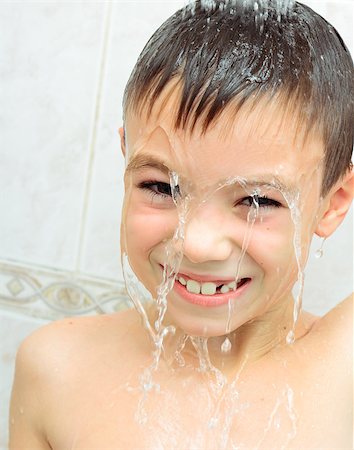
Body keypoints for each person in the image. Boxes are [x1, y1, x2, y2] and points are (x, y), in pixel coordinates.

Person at [9, 1, 353, 448]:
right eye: (160, 187)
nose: (197, 244)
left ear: (332, 203)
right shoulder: (55, 369)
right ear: (126, 159)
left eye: (256, 199)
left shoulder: (344, 370)